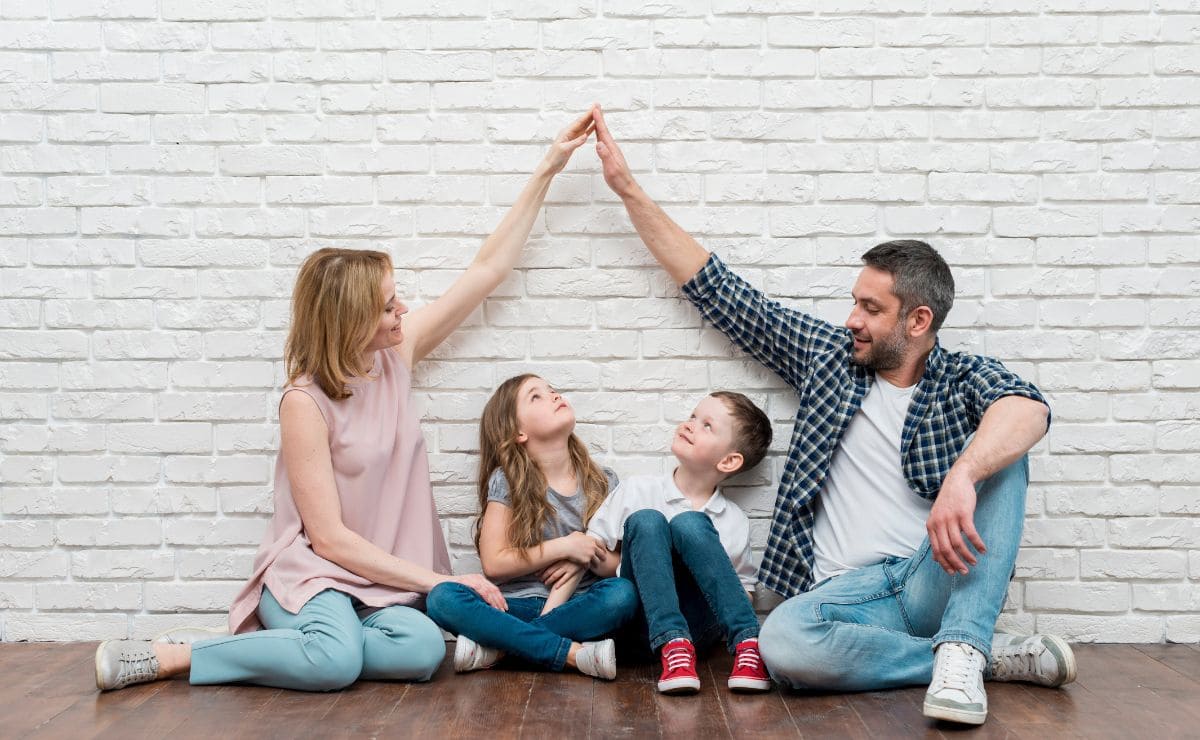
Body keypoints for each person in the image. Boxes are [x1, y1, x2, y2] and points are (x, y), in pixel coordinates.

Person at [589, 105, 1076, 726]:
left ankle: (962, 640)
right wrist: (628, 190)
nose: (852, 319)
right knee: (782, 644)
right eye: (854, 302)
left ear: (917, 321)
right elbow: (722, 292)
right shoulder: (829, 359)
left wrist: (964, 474)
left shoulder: (959, 379)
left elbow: (1028, 410)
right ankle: (972, 656)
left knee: (1007, 454)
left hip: (931, 577)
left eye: (870, 308)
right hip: (844, 598)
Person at [93, 109, 597, 693]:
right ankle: (181, 655)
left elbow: (487, 269)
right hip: (318, 576)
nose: (402, 311)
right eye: (387, 305)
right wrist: (438, 583)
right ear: (349, 319)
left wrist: (548, 168)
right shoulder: (303, 403)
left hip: (385, 581)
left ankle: (320, 647)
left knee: (421, 650)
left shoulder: (396, 356)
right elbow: (328, 538)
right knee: (335, 664)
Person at [425, 374, 638, 680]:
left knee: (622, 594)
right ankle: (573, 654)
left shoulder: (604, 482)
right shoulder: (507, 481)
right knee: (442, 597)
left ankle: (502, 650)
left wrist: (588, 552)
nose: (553, 395)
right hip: (517, 606)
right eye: (536, 396)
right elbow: (495, 564)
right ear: (518, 432)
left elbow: (618, 566)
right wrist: (565, 545)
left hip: (579, 606)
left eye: (551, 390)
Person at [586, 391, 773, 695]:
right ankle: (672, 642)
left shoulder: (733, 519)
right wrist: (643, 564)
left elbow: (745, 592)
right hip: (639, 626)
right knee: (648, 520)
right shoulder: (638, 490)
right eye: (692, 417)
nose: (690, 425)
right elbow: (593, 550)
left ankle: (748, 644)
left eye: (707, 425)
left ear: (728, 461)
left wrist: (708, 575)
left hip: (698, 629)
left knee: (690, 523)